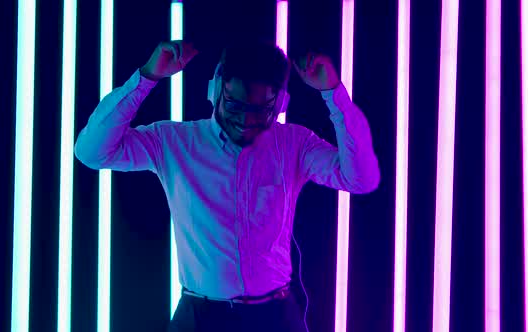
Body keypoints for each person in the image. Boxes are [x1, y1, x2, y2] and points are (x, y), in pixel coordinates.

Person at [74, 39, 380, 332]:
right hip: (199, 317)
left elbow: (362, 179)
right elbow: (92, 151)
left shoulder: (294, 144)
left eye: (261, 110)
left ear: (281, 103)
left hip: (275, 316)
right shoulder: (174, 142)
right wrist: (147, 78)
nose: (246, 120)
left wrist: (333, 92)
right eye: (235, 105)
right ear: (215, 89)